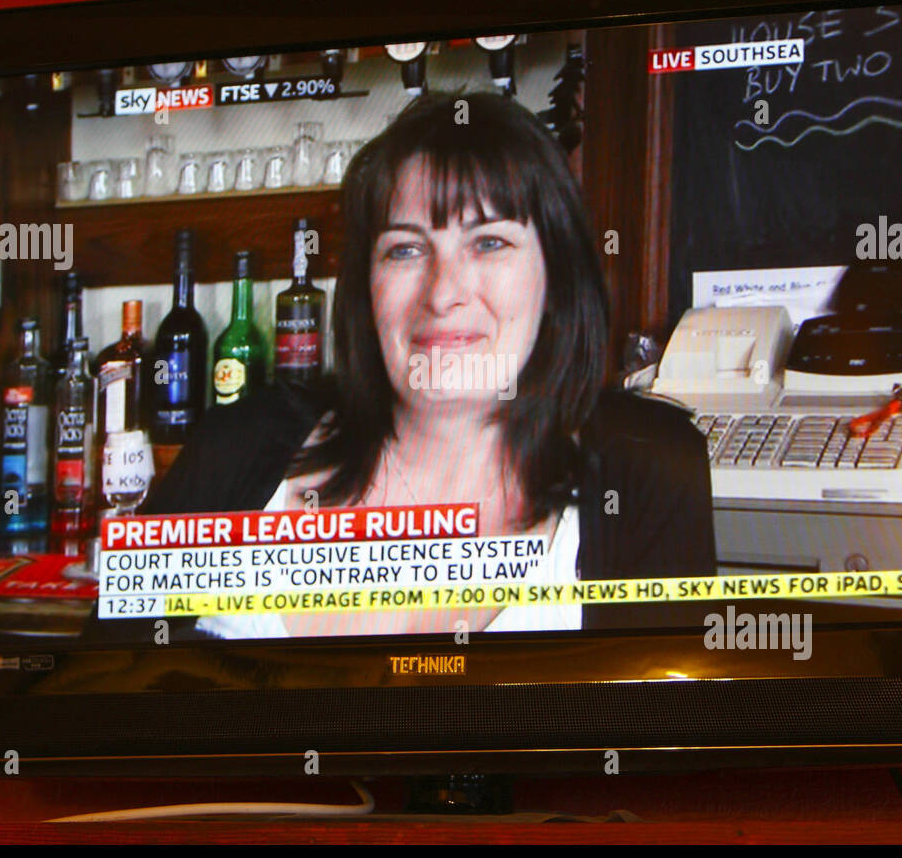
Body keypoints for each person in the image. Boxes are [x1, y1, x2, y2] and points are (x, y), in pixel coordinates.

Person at [141, 90, 715, 637]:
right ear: (366, 288)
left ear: (556, 278)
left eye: (489, 243)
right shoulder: (239, 444)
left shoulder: (647, 471)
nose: (443, 294)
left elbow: (666, 733)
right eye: (406, 249)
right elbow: (109, 695)